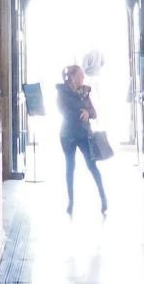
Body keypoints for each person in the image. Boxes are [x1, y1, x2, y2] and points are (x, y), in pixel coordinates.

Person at [56, 63, 108, 215]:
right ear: (72, 77)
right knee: (70, 167)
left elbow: (94, 112)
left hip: (84, 134)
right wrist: (80, 115)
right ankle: (71, 201)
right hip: (68, 134)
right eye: (80, 75)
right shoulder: (62, 92)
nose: (82, 77)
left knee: (92, 166)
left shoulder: (85, 91)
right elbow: (64, 112)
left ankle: (103, 199)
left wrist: (87, 112)